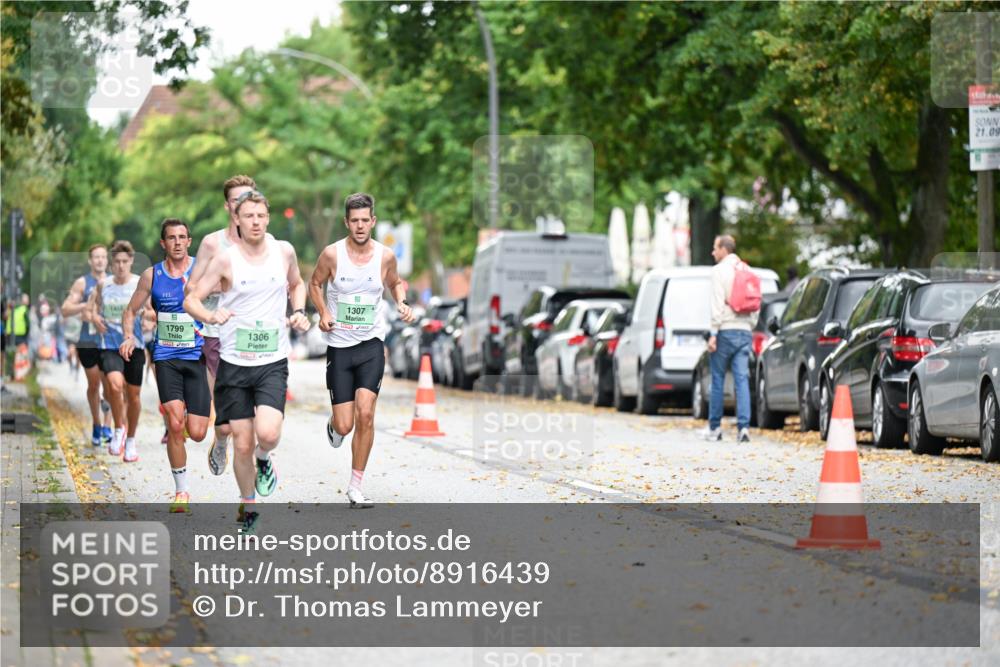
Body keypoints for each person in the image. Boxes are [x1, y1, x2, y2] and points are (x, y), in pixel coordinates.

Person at [184, 191, 309, 532]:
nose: (255, 221)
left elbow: (298, 284)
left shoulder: (284, 252)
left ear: (268, 218)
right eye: (248, 216)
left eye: (261, 215)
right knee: (242, 442)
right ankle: (249, 508)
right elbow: (191, 299)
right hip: (234, 364)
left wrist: (298, 311)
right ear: (236, 220)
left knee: (266, 435)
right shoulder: (226, 260)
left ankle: (264, 459)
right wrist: (211, 314)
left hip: (271, 361)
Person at [308, 193, 415, 509]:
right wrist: (324, 313)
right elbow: (314, 284)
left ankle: (355, 486)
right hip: (340, 348)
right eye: (354, 220)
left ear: (373, 221)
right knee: (345, 424)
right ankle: (334, 425)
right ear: (346, 222)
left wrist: (402, 302)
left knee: (366, 413)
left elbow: (395, 283)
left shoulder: (385, 256)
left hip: (371, 345)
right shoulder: (331, 255)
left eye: (364, 220)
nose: (359, 225)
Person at [121, 219, 211, 512]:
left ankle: (200, 437)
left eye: (182, 237)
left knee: (196, 432)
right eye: (171, 238)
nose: (177, 242)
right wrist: (129, 336)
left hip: (197, 357)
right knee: (174, 423)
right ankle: (181, 493)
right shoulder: (151, 275)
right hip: (166, 357)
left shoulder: (202, 269)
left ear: (189, 241)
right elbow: (130, 310)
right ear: (163, 243)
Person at [187, 174, 264, 477]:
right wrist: (216, 286)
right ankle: (221, 439)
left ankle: (257, 460)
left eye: (248, 198)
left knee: (258, 408)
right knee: (228, 416)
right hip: (218, 336)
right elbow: (190, 290)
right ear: (228, 206)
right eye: (236, 200)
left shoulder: (266, 243)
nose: (242, 205)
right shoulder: (212, 243)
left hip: (256, 336)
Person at [88, 240, 145, 461]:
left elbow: (150, 309)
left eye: (125, 261)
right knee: (114, 384)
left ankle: (130, 440)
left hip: (135, 346)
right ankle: (119, 428)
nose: (120, 266)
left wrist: (149, 319)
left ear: (131, 261)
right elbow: (91, 309)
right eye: (117, 262)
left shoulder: (140, 283)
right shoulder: (104, 285)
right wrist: (94, 318)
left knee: (134, 396)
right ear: (112, 263)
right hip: (110, 345)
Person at [701, 235, 757, 443]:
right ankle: (744, 428)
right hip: (744, 331)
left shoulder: (719, 271)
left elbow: (717, 304)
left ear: (724, 249)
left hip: (724, 330)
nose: (713, 252)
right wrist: (749, 326)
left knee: (717, 379)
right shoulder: (747, 270)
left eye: (715, 248)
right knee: (742, 380)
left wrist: (713, 333)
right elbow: (755, 304)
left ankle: (715, 428)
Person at [61, 245, 114, 446]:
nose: (100, 260)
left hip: (109, 340)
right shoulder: (83, 283)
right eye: (96, 257)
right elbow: (66, 309)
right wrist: (87, 304)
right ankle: (97, 423)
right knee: (94, 384)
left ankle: (108, 426)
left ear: (107, 260)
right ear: (90, 261)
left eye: (103, 257)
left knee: (110, 385)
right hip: (87, 341)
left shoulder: (113, 282)